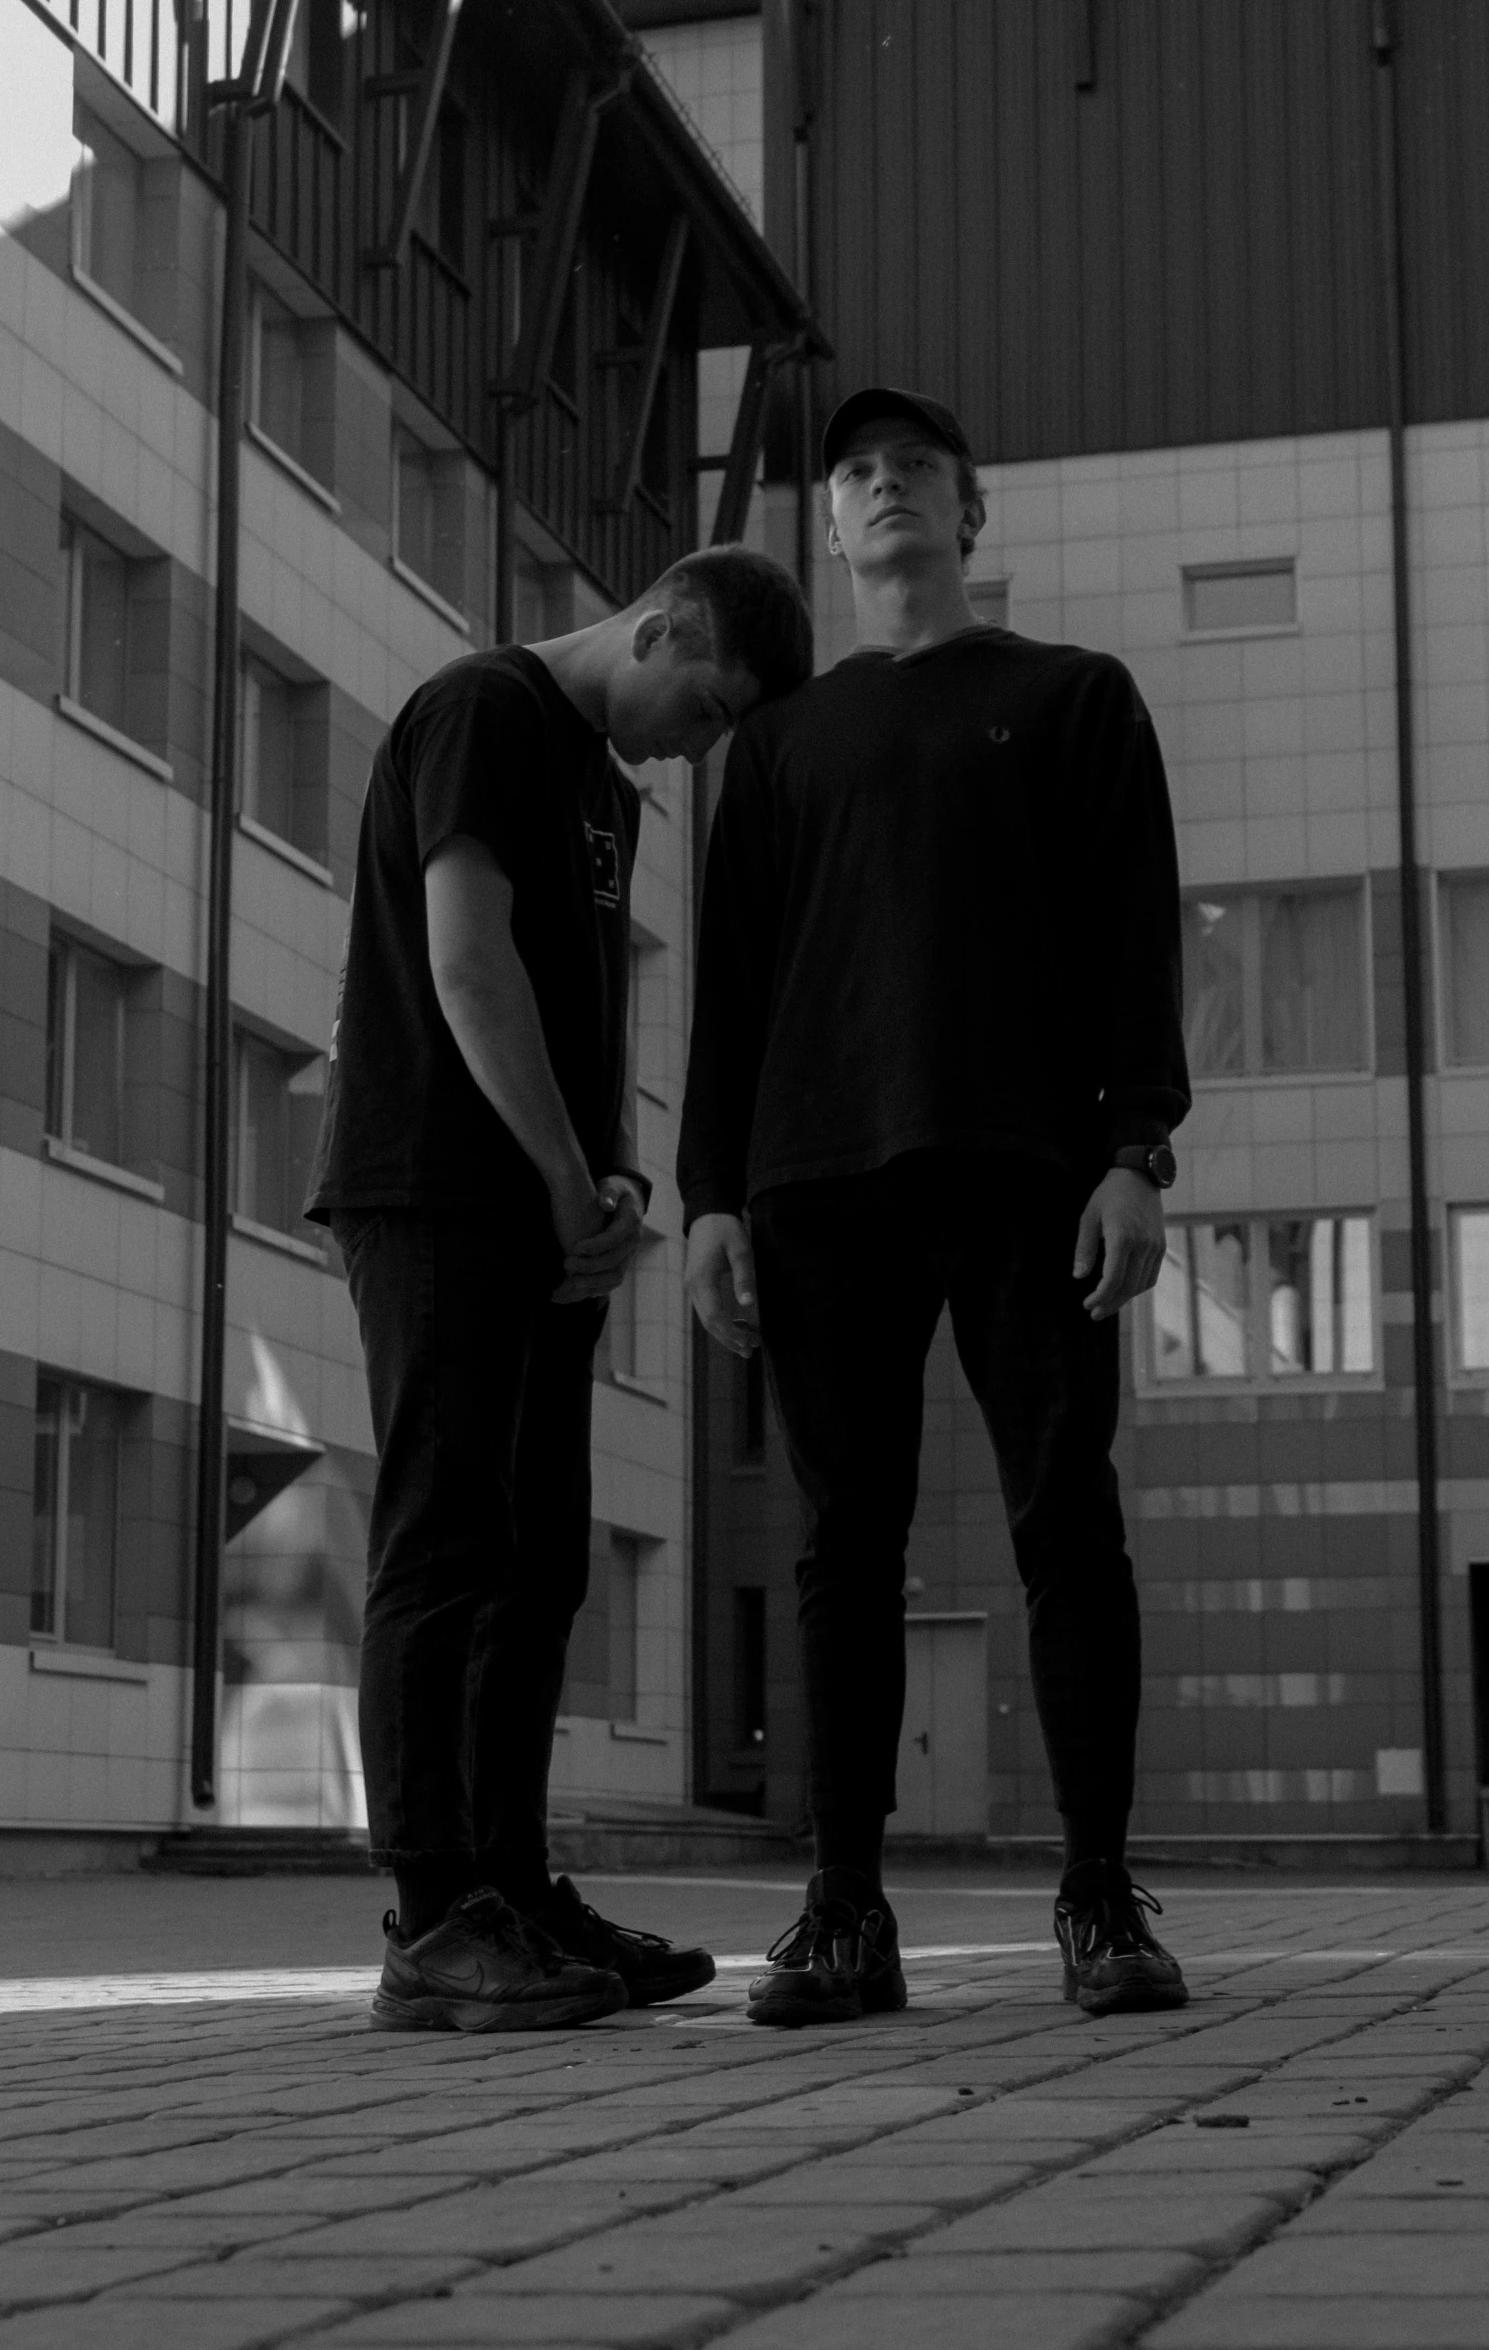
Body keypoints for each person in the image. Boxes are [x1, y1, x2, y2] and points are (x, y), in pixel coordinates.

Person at [678, 388, 1192, 2025]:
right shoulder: (772, 748)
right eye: (852, 473)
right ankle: (841, 1915)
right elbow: (731, 995)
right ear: (827, 528)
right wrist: (706, 1199)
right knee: (841, 1542)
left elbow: (1132, 939)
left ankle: (1099, 1896)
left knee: (1065, 1523)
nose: (881, 484)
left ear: (967, 516)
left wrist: (1137, 1152)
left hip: (1031, 1167)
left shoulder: (1073, 700)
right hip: (815, 1181)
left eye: (914, 469)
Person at [306, 545, 814, 2032]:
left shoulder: (604, 785)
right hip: (439, 1190)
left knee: (540, 1561)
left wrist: (620, 1183)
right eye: (706, 706)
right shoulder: (481, 709)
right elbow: (468, 969)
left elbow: (580, 1012)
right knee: (444, 1538)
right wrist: (553, 1175)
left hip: (547, 1211)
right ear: (657, 625)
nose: (699, 744)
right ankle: (430, 1913)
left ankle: (512, 1888)